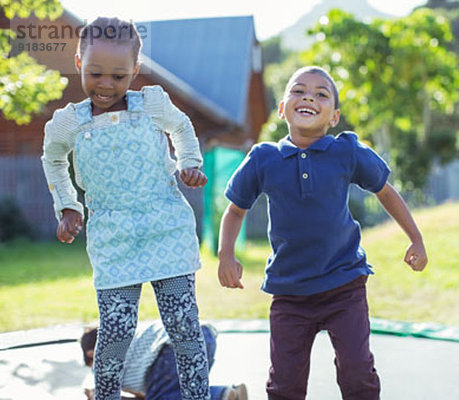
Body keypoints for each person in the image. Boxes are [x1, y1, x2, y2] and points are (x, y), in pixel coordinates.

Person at [218, 66, 428, 400]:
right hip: (289, 291)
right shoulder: (264, 158)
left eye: (321, 94)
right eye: (298, 91)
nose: (308, 98)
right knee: (285, 383)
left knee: (357, 372)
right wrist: (226, 255)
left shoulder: (346, 151)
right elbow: (235, 210)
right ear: (282, 108)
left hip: (343, 284)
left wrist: (415, 238)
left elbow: (385, 191)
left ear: (334, 116)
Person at [41, 17, 210, 399]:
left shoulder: (151, 104)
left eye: (119, 76)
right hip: (113, 238)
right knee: (116, 332)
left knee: (184, 326)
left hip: (165, 228)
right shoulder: (69, 123)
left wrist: (189, 163)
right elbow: (52, 160)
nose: (106, 84)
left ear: (134, 70)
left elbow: (182, 128)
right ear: (80, 61)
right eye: (96, 73)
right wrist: (67, 206)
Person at [80, 321, 248, 400]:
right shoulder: (128, 338)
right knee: (185, 389)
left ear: (91, 354)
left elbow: (94, 392)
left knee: (164, 398)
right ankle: (233, 391)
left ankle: (220, 395)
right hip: (204, 336)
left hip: (170, 348)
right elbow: (146, 394)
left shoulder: (103, 358)